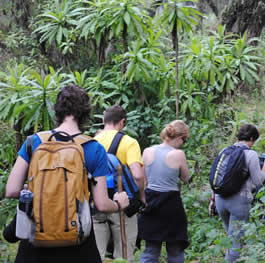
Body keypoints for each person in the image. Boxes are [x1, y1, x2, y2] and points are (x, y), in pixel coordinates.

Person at [5, 84, 129, 263]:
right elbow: (102, 204)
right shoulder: (94, 148)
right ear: (85, 113)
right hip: (77, 243)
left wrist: (38, 187)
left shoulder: (33, 142)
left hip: (35, 242)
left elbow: (11, 190)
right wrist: (119, 204)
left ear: (57, 110)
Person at [92, 105, 145, 262]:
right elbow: (137, 174)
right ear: (122, 122)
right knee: (124, 253)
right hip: (122, 203)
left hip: (97, 202)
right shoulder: (129, 142)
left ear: (103, 121)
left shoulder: (91, 142)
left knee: (96, 254)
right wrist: (141, 196)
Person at [214, 124, 265, 263]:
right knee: (236, 242)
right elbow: (258, 181)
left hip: (219, 200)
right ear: (251, 139)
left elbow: (217, 175)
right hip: (239, 202)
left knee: (230, 237)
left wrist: (212, 200)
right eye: (254, 141)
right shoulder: (250, 154)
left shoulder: (224, 150)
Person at [138, 120, 190, 263]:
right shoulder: (178, 154)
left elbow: (143, 179)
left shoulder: (147, 151)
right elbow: (186, 178)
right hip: (171, 203)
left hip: (151, 200)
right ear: (179, 138)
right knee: (175, 249)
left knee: (150, 250)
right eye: (184, 140)